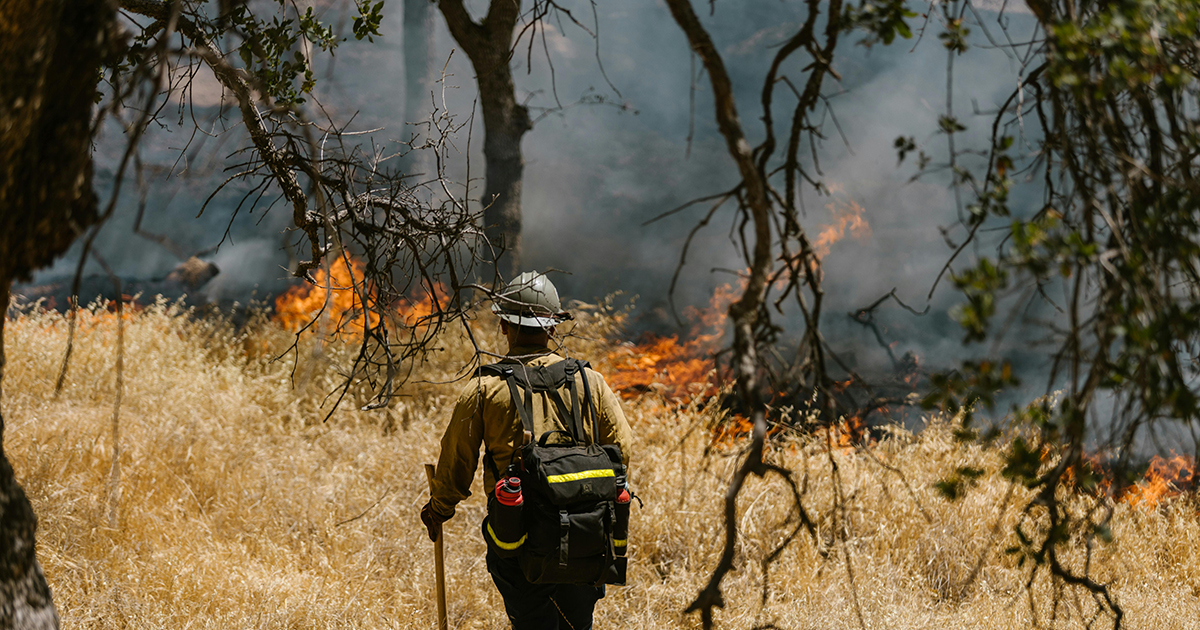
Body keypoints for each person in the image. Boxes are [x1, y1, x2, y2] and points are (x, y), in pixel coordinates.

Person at [420, 271, 634, 630]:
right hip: (586, 533)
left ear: (504, 325)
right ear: (552, 328)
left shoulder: (485, 389)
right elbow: (622, 450)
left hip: (517, 536)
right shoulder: (590, 381)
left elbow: (459, 460)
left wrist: (439, 509)